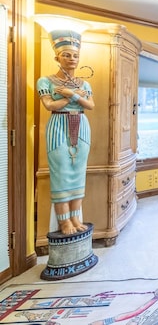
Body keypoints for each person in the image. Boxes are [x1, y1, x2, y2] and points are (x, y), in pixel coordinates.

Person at [37, 30, 94, 235]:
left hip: (81, 124)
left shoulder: (84, 84)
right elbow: (50, 106)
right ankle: (64, 222)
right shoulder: (46, 81)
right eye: (67, 55)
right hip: (58, 126)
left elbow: (90, 105)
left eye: (75, 55)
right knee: (61, 172)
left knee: (78, 172)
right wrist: (72, 96)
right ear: (57, 57)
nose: (72, 59)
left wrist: (72, 95)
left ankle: (75, 217)